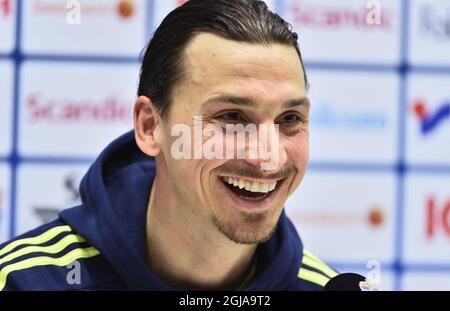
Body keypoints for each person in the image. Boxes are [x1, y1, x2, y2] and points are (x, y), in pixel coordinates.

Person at [0, 0, 337, 290]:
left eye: (289, 119)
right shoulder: (25, 281)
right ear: (149, 127)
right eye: (232, 117)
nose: (267, 156)